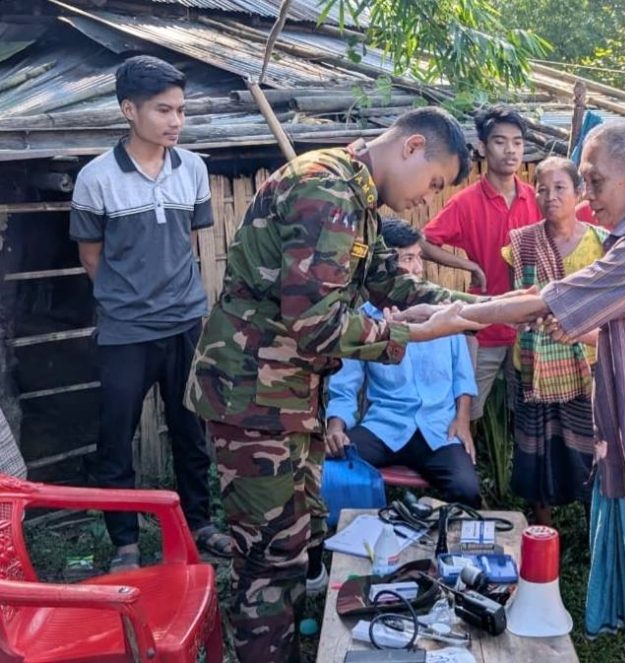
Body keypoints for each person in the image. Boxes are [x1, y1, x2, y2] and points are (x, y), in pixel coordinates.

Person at [185, 107, 483, 663]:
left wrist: (482, 309)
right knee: (267, 561)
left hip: (288, 399)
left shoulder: (358, 199)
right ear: (413, 147)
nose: (427, 197)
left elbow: (391, 284)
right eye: (435, 182)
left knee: (296, 547)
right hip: (254, 400)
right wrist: (411, 333)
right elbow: (316, 323)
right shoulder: (326, 189)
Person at [446, 120, 625, 663]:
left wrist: (445, 318)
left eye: (594, 182)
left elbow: (548, 298)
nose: (586, 196)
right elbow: (596, 313)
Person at [69, 55, 230, 572]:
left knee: (190, 428)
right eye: (163, 110)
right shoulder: (96, 179)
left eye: (181, 111)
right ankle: (125, 543)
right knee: (117, 434)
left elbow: (185, 240)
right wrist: (128, 301)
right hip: (125, 331)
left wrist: (169, 296)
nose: (175, 122)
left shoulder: (194, 169)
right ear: (129, 110)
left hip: (186, 321)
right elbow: (91, 256)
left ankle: (201, 525)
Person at [325, 218, 480, 507]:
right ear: (383, 265)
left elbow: (462, 376)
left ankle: (449, 549)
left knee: (467, 489)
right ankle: (349, 543)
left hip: (438, 429)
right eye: (408, 259)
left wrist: (462, 421)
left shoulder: (444, 313)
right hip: (386, 425)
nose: (419, 269)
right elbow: (344, 387)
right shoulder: (364, 319)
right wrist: (336, 427)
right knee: (335, 466)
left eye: (419, 258)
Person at [500, 157, 605, 526]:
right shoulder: (522, 243)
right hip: (532, 366)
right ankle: (542, 529)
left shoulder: (601, 243)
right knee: (536, 448)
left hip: (586, 364)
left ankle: (595, 524)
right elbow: (516, 300)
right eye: (542, 189)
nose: (550, 196)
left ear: (579, 193)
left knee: (589, 449)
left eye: (560, 188)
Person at [420, 106, 542, 419]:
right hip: (483, 325)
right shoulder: (465, 202)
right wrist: (469, 267)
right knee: (466, 412)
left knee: (530, 416)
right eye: (500, 141)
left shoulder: (536, 198)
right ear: (484, 147)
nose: (511, 150)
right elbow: (424, 241)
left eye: (517, 142)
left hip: (529, 327)